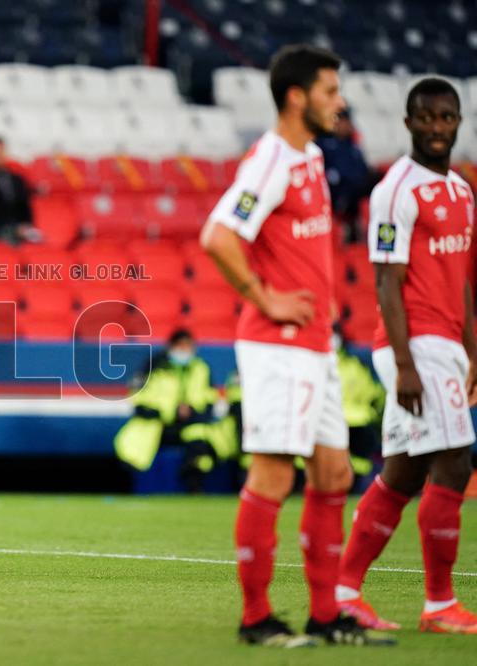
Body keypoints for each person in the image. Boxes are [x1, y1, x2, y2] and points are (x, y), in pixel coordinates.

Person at [201, 45, 391, 646]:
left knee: (333, 474)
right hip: (278, 345)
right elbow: (218, 235)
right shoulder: (273, 159)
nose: (341, 102)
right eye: (330, 91)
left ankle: (324, 615)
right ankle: (256, 619)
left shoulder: (310, 157)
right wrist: (266, 297)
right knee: (274, 476)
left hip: (315, 346)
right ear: (296, 96)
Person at [337, 78, 477, 634]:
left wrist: (473, 350)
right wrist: (404, 364)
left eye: (446, 118)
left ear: (459, 121)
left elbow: (464, 281)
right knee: (457, 460)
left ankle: (344, 592)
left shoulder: (464, 193)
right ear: (408, 122)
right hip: (413, 343)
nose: (437, 128)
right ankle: (440, 604)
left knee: (402, 473)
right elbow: (387, 281)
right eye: (426, 118)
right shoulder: (397, 190)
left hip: (447, 346)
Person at [115, 329, 222, 492]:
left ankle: (194, 486)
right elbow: (139, 402)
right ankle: (134, 489)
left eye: (188, 346)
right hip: (158, 422)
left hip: (191, 423)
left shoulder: (201, 368)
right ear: (171, 346)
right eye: (181, 346)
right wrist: (172, 411)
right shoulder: (155, 366)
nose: (184, 351)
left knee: (201, 440)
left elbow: (209, 400)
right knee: (134, 446)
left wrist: (191, 411)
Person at [315, 109, 377, 242]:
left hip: (357, 187)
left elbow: (363, 168)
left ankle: (370, 230)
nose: (346, 125)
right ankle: (351, 228)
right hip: (337, 191)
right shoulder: (323, 144)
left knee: (379, 183)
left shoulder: (352, 146)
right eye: (342, 121)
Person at [332, 328, 384, 480]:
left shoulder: (358, 361)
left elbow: (376, 391)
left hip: (359, 420)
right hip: (340, 419)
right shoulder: (319, 361)